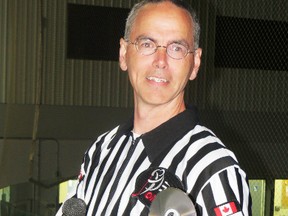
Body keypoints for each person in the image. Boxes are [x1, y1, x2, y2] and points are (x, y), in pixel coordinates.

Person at [56, 0, 252, 215]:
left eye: (177, 48)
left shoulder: (211, 168)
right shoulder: (101, 150)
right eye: (147, 44)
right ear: (123, 54)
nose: (160, 61)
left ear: (195, 63)